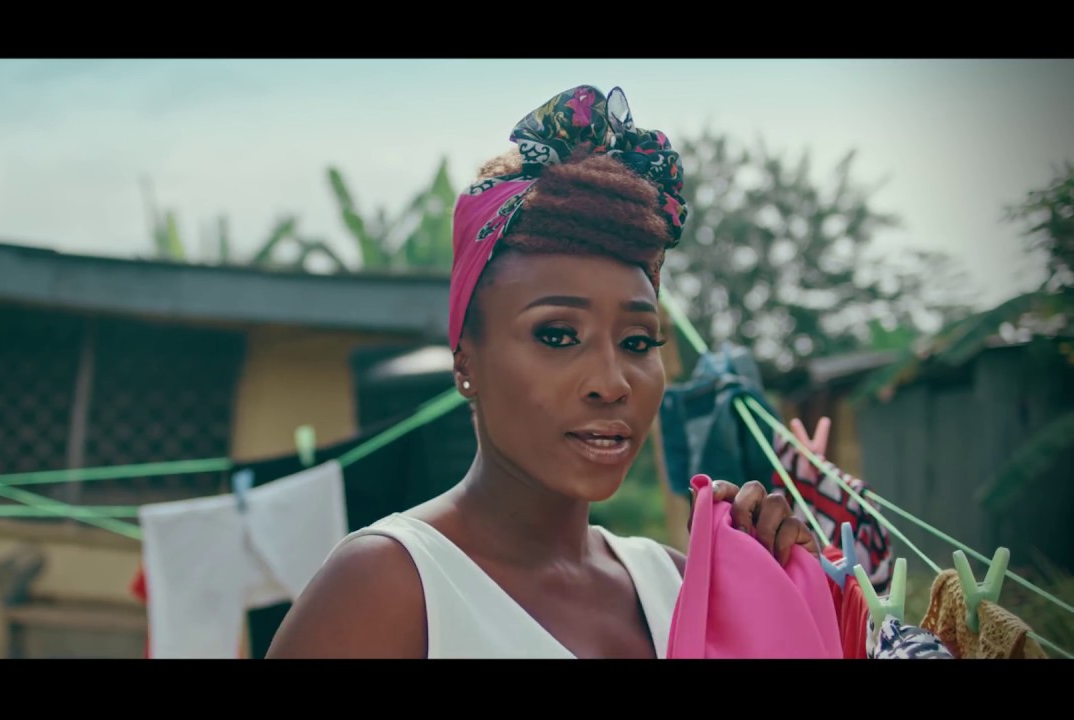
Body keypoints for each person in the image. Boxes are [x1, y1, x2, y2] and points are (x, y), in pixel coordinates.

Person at [266, 84, 822, 659]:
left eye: (637, 341)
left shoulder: (677, 584)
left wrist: (776, 597)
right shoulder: (387, 589)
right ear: (466, 362)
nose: (611, 383)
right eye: (557, 336)